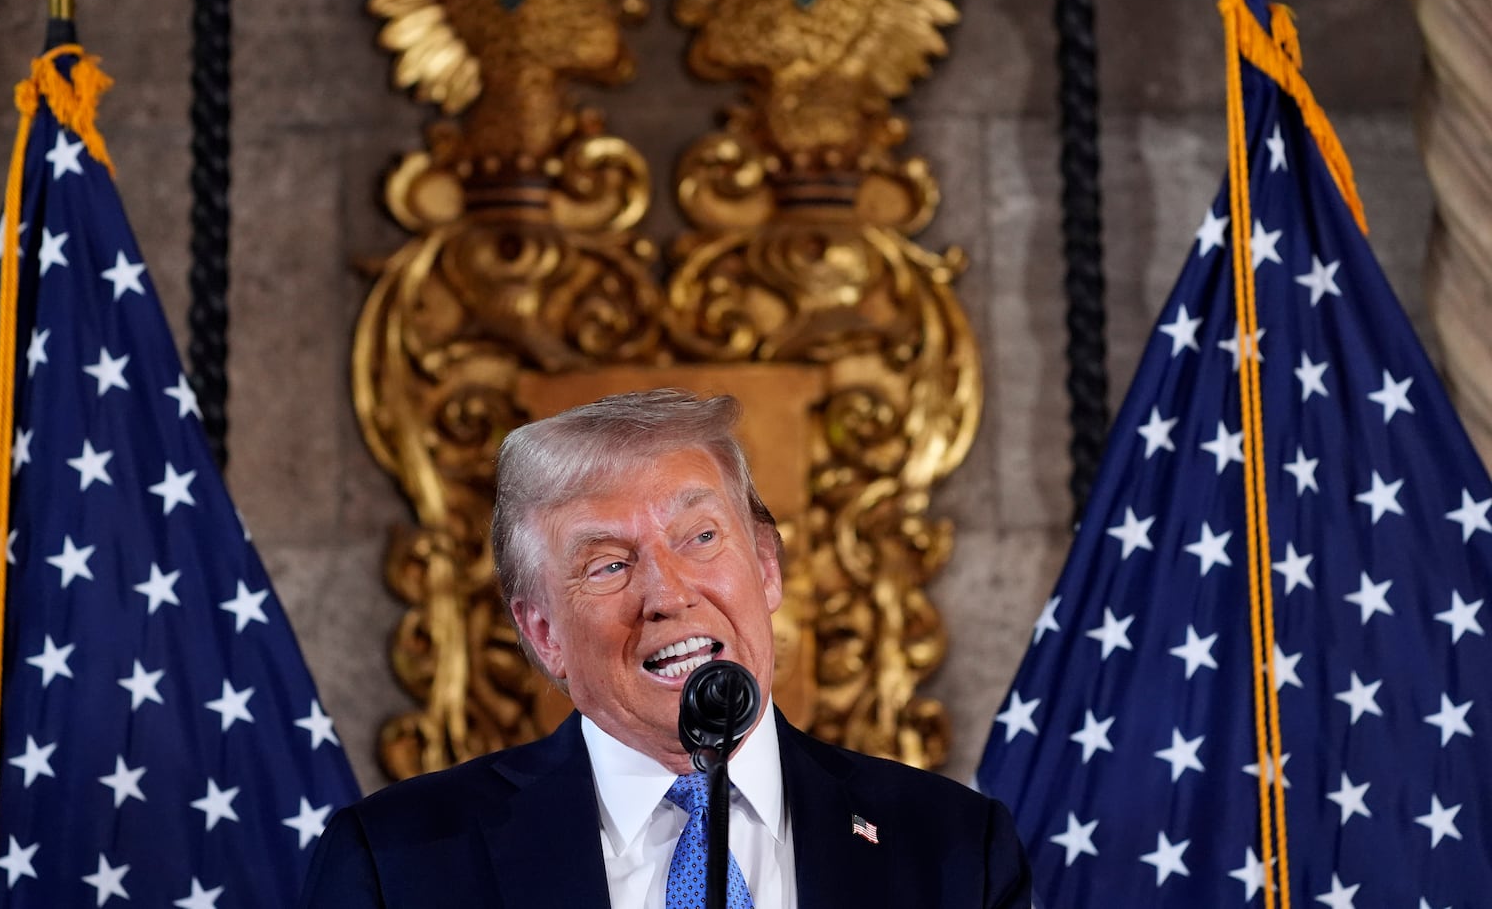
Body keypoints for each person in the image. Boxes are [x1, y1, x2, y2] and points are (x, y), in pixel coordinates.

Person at [298, 389, 1032, 908]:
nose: (668, 594)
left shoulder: (954, 850)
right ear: (544, 633)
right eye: (609, 564)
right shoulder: (398, 865)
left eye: (700, 537)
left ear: (767, 567)